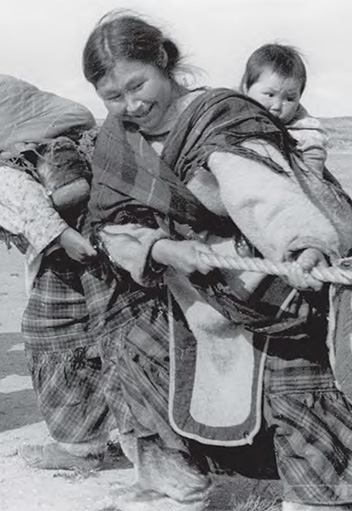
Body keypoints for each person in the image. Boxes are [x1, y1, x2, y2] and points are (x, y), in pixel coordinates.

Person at [83, 12, 352, 511]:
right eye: (113, 97)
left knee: (293, 374)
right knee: (130, 335)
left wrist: (301, 245)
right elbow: (107, 224)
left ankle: (316, 498)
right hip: (180, 278)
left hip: (258, 269)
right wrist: (163, 250)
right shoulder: (116, 139)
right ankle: (172, 479)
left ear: (163, 61)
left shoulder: (217, 117)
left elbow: (262, 193)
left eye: (137, 85)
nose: (132, 104)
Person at [0, 39, 135, 463]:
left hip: (99, 224)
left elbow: (60, 118)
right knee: (51, 332)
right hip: (52, 243)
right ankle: (80, 445)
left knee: (120, 334)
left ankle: (148, 453)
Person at [241, 43, 329, 176]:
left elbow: (313, 174)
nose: (277, 106)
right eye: (270, 95)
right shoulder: (230, 111)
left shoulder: (306, 132)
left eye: (289, 99)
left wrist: (311, 174)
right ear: (246, 88)